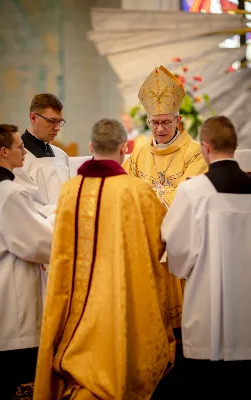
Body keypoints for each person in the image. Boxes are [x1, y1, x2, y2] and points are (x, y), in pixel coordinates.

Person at [33, 118, 175, 400]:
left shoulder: (70, 190)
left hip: (78, 301)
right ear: (124, 148)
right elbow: (160, 244)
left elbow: (61, 251)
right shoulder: (138, 191)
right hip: (122, 295)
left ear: (90, 147)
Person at [162, 116, 251, 392]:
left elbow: (175, 246)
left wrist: (182, 267)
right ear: (234, 146)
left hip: (207, 305)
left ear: (205, 147)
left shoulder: (194, 190)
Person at [123, 64, 207, 334]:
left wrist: (155, 206)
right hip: (145, 242)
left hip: (177, 240)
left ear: (178, 120)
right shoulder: (137, 154)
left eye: (166, 122)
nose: (159, 129)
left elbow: (190, 192)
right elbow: (125, 189)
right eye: (155, 122)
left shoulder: (194, 153)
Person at [0, 124, 54, 400]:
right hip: (13, 297)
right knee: (19, 380)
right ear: (4, 152)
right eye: (19, 147)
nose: (24, 152)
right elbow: (34, 242)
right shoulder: (8, 193)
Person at [14, 93, 70, 216]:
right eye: (52, 121)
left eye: (60, 122)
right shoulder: (17, 158)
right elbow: (22, 204)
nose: (57, 128)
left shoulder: (61, 155)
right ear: (33, 118)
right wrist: (59, 213)